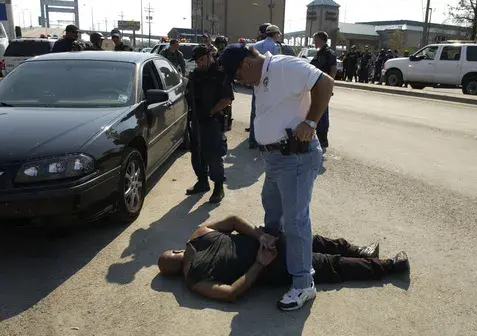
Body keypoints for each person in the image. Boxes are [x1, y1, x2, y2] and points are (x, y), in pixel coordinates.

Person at [218, 44, 333, 311]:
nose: (238, 82)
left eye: (237, 75)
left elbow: (325, 83)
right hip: (276, 157)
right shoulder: (262, 75)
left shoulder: (283, 67)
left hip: (295, 156)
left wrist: (312, 122)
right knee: (272, 211)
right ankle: (275, 258)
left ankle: (304, 283)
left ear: (247, 63)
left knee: (295, 220)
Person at [157, 216, 410, 307]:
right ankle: (377, 259)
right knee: (316, 246)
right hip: (269, 251)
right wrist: (262, 238)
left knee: (324, 259)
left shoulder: (193, 281)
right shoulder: (198, 233)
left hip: (267, 260)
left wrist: (259, 260)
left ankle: (380, 260)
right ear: (177, 251)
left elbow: (232, 293)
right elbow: (233, 220)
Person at [185, 45, 233, 204]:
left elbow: (226, 99)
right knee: (197, 152)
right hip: (197, 120)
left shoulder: (220, 74)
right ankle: (202, 181)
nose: (200, 63)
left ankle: (218, 187)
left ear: (209, 56)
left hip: (213, 120)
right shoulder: (195, 75)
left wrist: (211, 112)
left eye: (202, 60)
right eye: (197, 61)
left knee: (214, 155)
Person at [247, 24, 282, 149]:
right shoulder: (274, 46)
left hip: (255, 81)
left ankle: (252, 140)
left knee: (254, 111)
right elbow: (274, 65)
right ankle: (263, 141)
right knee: (267, 112)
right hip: (268, 82)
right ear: (275, 34)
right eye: (278, 34)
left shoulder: (255, 45)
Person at [310, 31, 337, 149]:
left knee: (322, 113)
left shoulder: (329, 53)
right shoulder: (320, 53)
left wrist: (329, 86)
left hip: (323, 86)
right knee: (317, 110)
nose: (314, 42)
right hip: (315, 86)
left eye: (315, 39)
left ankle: (323, 139)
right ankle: (317, 137)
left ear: (321, 39)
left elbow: (334, 69)